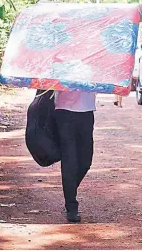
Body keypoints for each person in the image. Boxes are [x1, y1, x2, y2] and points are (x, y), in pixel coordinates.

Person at [53, 90, 96, 223]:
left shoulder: (94, 67)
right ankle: (71, 206)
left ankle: (70, 189)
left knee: (85, 161)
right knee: (69, 159)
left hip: (87, 111)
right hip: (64, 111)